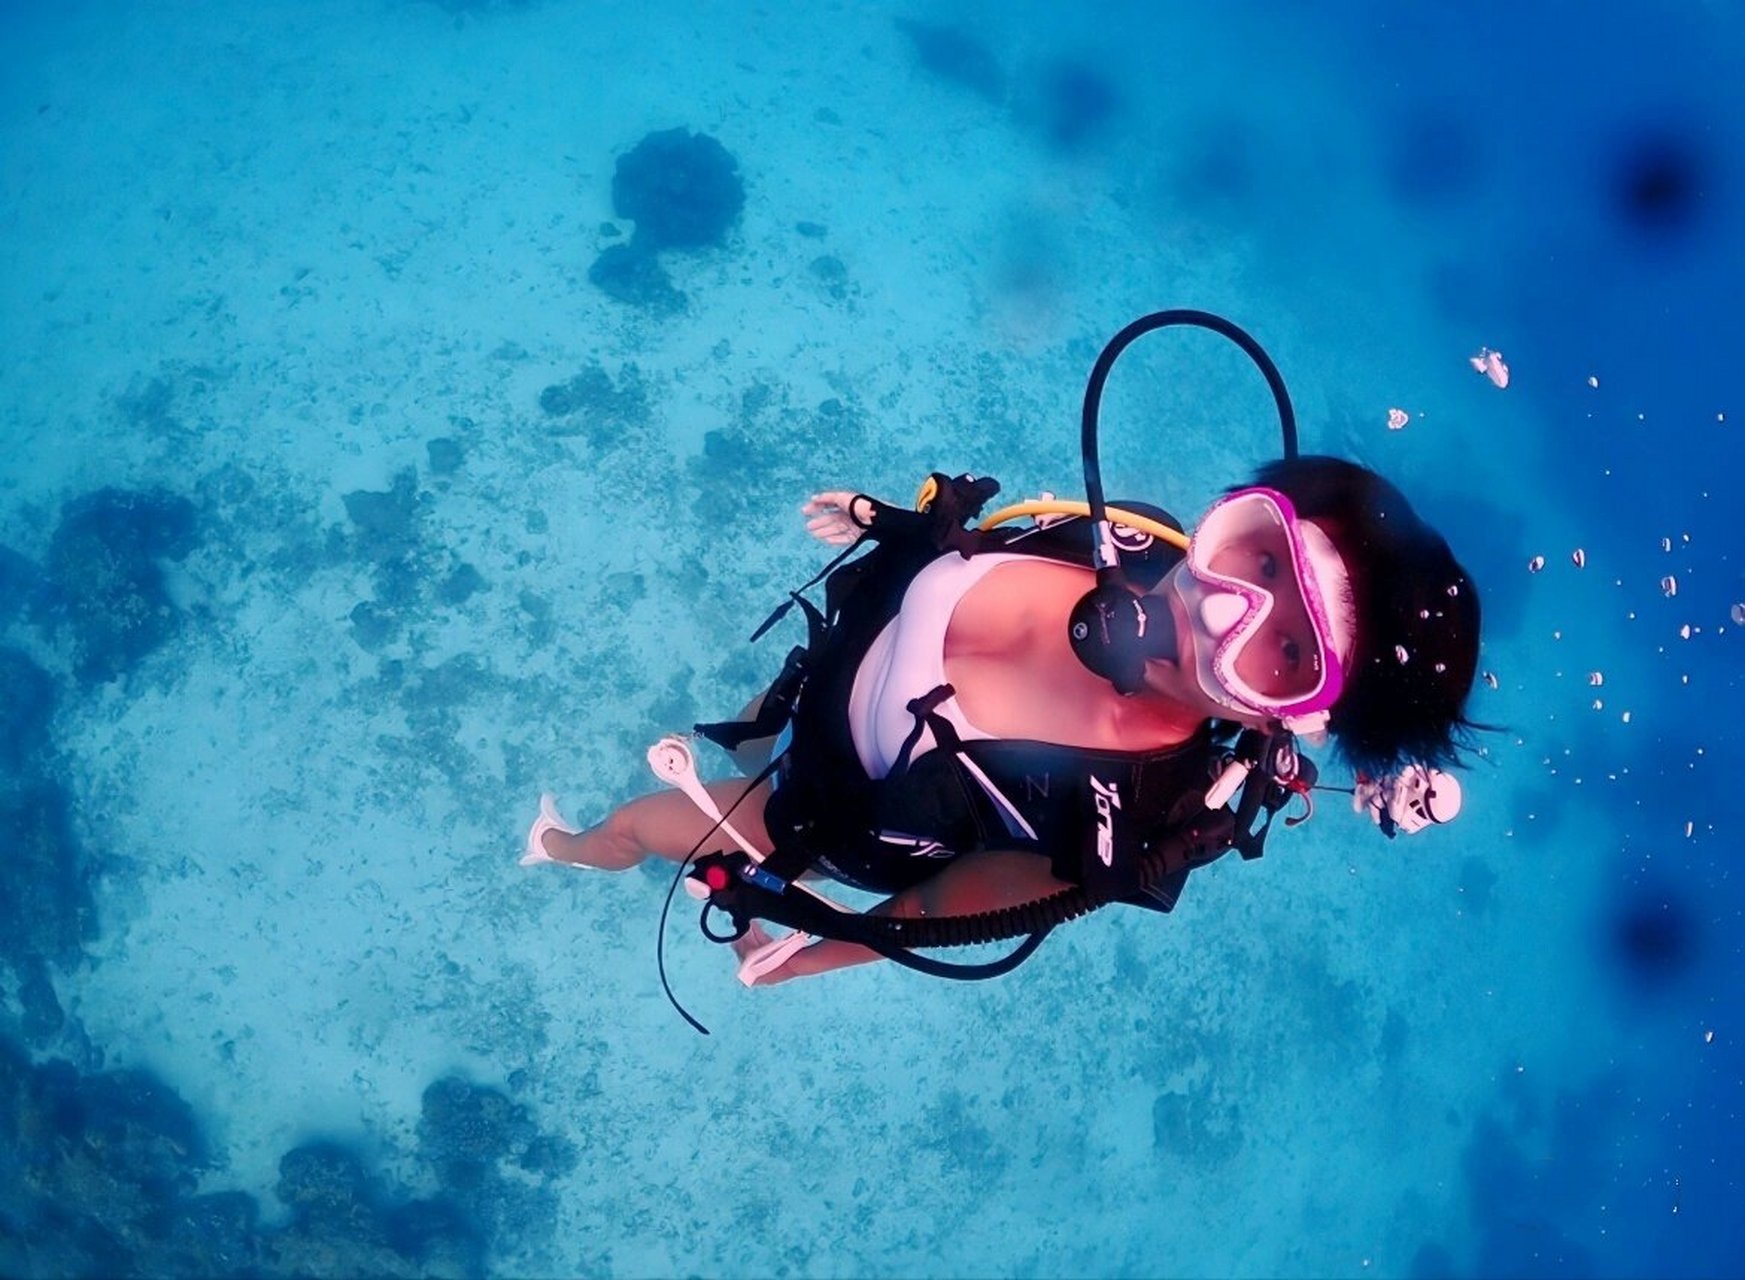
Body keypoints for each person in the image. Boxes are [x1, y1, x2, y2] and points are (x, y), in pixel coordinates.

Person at [520, 313, 1483, 988]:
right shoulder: (1126, 533)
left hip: (816, 814)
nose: (1218, 613)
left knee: (636, 829)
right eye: (1253, 556)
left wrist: (790, 956)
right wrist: (884, 516)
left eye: (1282, 653)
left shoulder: (1130, 820)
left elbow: (939, 914)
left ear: (1290, 717)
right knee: (748, 752)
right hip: (818, 690)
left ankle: (552, 846)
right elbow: (960, 546)